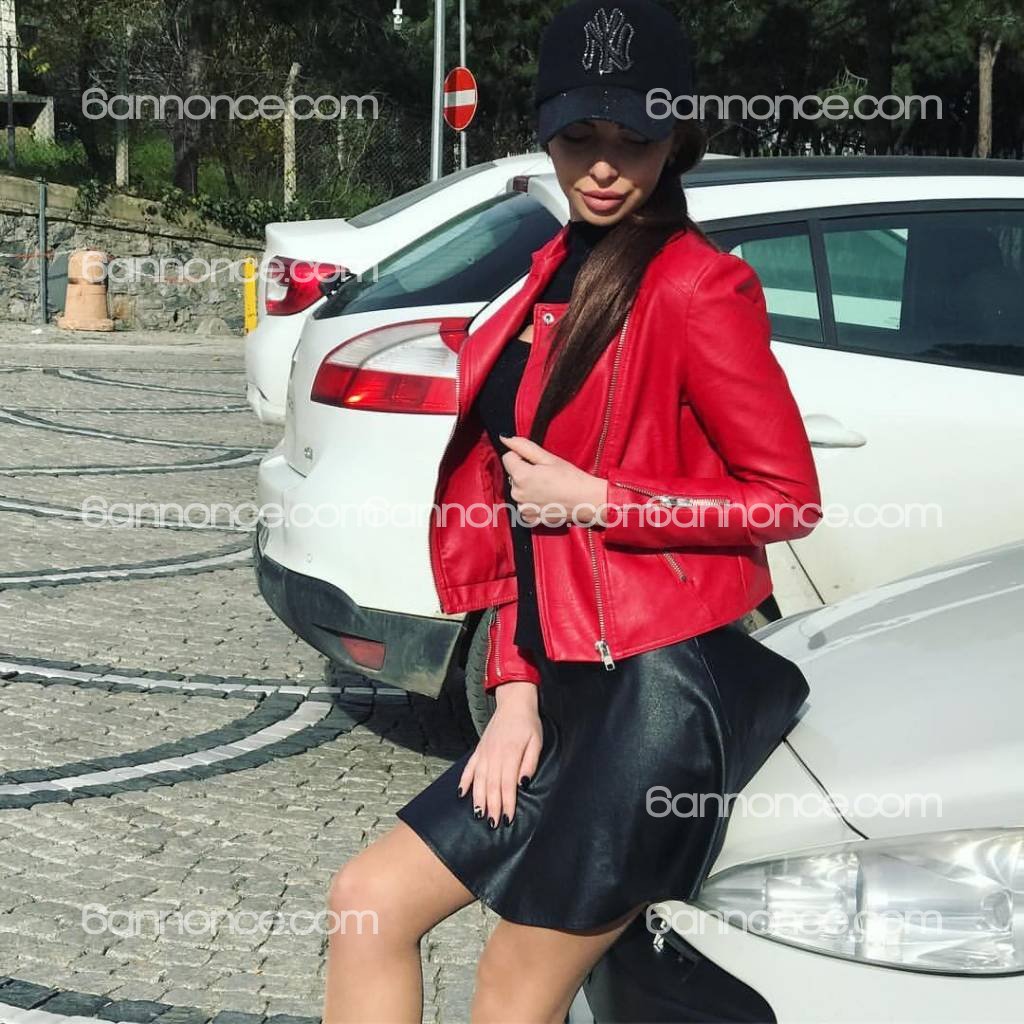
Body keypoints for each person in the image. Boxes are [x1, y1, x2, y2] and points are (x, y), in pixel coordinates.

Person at [321, 2, 823, 1021]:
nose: (601, 166)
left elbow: (786, 499)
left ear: (675, 140)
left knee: (514, 988)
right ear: (545, 132)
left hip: (654, 699)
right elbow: (519, 520)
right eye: (577, 135)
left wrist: (600, 500)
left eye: (632, 139)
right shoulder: (549, 273)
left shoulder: (699, 287)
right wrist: (512, 691)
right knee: (367, 903)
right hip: (558, 688)